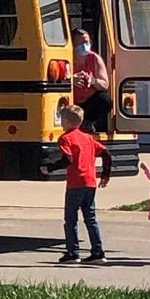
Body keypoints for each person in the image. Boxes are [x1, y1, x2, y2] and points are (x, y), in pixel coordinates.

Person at [44, 105, 113, 264]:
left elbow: (67, 160)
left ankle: (72, 252)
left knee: (71, 219)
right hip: (90, 182)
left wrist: (50, 167)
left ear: (67, 122)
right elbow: (106, 154)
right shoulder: (88, 138)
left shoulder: (65, 138)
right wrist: (105, 174)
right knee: (91, 218)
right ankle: (98, 251)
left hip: (75, 183)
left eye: (62, 120)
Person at [72, 29, 112, 133]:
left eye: (87, 42)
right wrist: (72, 79)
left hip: (89, 102)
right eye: (81, 43)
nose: (85, 45)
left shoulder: (94, 58)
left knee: (105, 100)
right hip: (71, 101)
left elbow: (105, 84)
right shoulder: (65, 57)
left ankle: (87, 122)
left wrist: (92, 80)